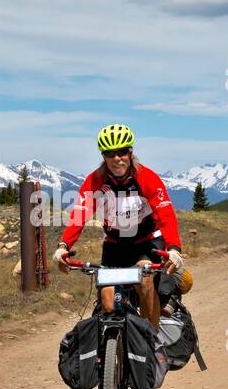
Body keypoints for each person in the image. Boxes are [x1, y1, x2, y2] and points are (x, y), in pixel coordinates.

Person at [53, 124, 184, 329]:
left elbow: (165, 213)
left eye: (122, 152)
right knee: (108, 302)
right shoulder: (95, 180)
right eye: (110, 154)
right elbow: (80, 214)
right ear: (103, 156)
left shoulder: (147, 177)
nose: (117, 158)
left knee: (144, 281)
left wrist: (174, 247)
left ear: (130, 152)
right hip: (114, 245)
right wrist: (64, 245)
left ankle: (153, 343)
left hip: (147, 243)